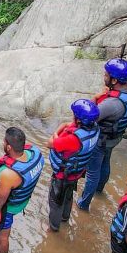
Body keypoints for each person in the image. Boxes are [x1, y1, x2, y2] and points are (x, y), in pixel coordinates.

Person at [77, 58, 127, 211]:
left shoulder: (111, 104)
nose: (104, 77)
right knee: (105, 162)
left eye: (106, 75)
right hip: (115, 138)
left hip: (101, 140)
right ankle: (99, 190)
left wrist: (95, 98)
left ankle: (83, 204)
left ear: (114, 80)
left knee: (93, 172)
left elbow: (88, 118)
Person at [0, 127, 45, 253]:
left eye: (4, 142)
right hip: (23, 200)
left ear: (9, 147)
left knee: (3, 237)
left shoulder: (8, 174)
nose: (3, 143)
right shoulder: (36, 153)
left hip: (8, 208)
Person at [47, 99, 101, 231]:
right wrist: (67, 126)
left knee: (56, 202)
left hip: (62, 175)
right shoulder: (95, 129)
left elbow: (49, 143)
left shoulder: (73, 139)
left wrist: (56, 132)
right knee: (68, 195)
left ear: (78, 119)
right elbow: (68, 124)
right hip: (75, 173)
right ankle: (65, 218)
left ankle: (54, 228)